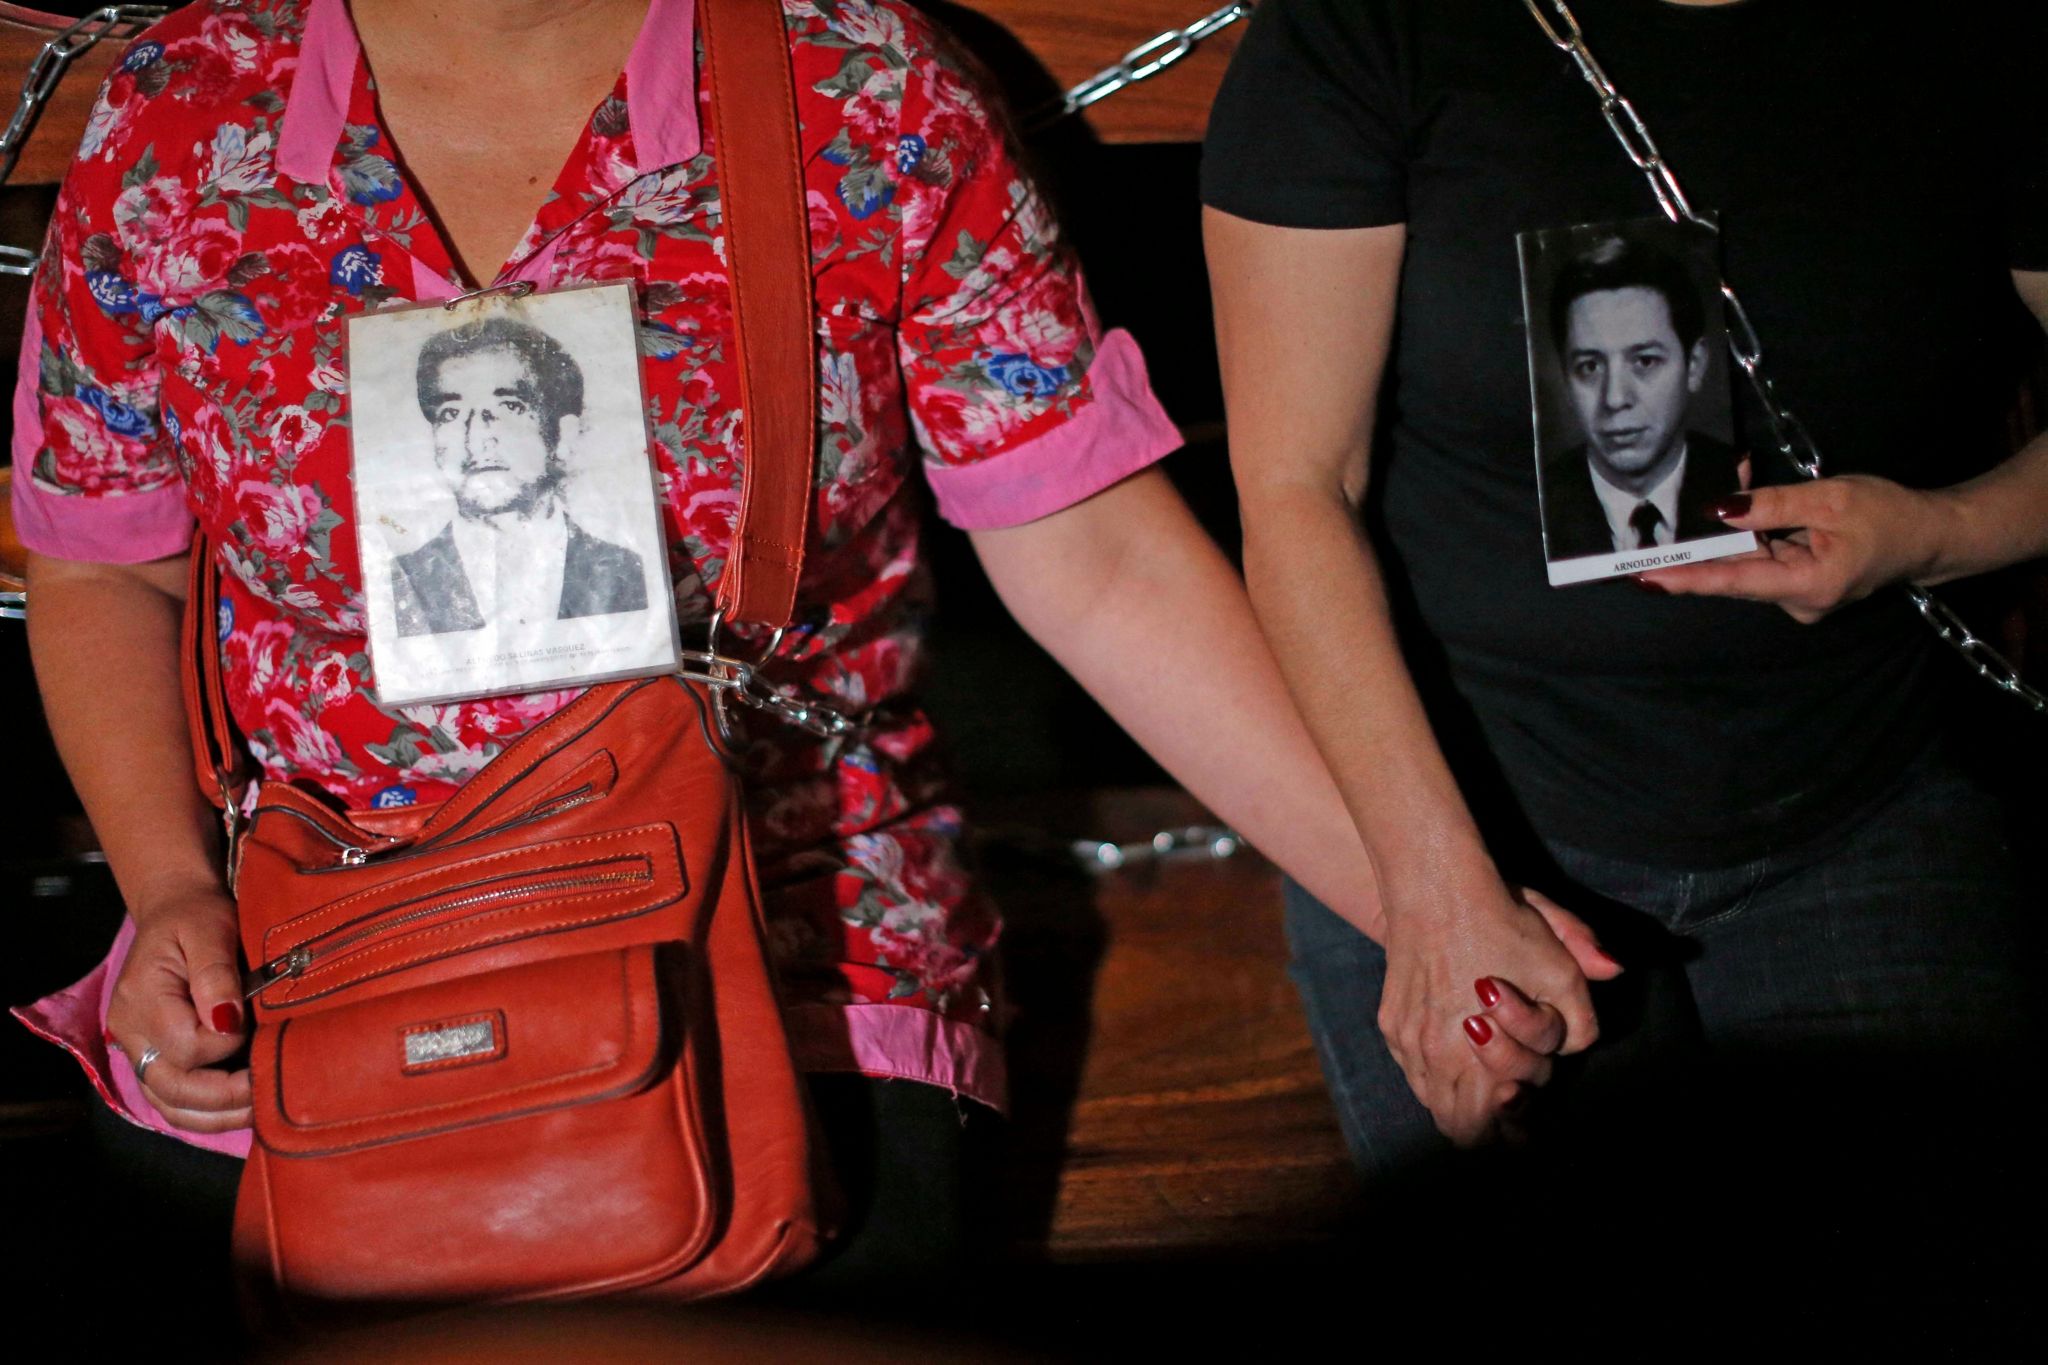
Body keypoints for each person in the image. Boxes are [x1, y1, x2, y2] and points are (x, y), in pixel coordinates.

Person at [12, 0, 1381, 1318]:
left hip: (791, 961)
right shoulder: (184, 114)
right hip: (325, 959)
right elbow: (107, 563)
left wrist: (1427, 904)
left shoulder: (857, 82)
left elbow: (1095, 555)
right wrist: (172, 889)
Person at [1200, 0, 2048, 1280]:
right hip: (1459, 807)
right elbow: (1292, 490)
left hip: (1862, 790)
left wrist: (1935, 533)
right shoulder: (1373, 27)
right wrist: (1429, 896)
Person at [395, 316, 646, 635]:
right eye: (451, 414)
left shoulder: (627, 574)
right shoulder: (400, 581)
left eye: (509, 407)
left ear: (563, 436)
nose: (476, 439)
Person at [1539, 233, 1745, 560]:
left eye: (1645, 361)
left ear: (1694, 366)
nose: (1615, 399)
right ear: (1565, 378)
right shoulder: (1536, 503)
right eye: (1590, 366)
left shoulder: (1740, 479)